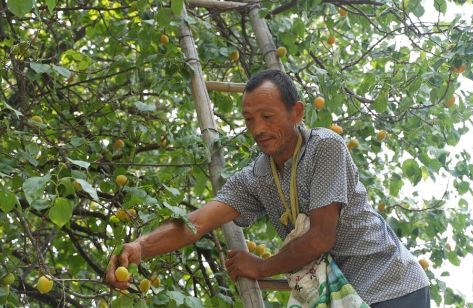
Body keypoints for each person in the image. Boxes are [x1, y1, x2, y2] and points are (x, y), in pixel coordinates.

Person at [105, 70, 430, 307]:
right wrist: (140, 247)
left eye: (267, 116)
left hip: (391, 287)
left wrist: (261, 267)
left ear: (297, 112)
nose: (257, 129)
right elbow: (198, 222)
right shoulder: (258, 176)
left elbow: (320, 238)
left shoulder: (325, 147)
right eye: (249, 119)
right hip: (341, 298)